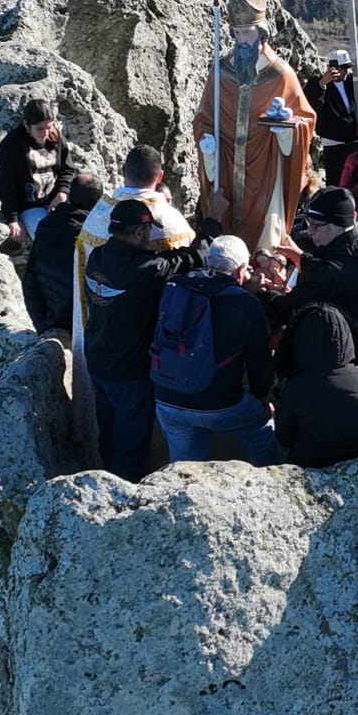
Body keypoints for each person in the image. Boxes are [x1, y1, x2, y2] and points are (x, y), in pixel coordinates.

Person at [72, 145, 203, 466]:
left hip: (96, 350)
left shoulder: (97, 228)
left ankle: (102, 469)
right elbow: (188, 262)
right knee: (132, 438)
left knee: (106, 429)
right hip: (134, 362)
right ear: (160, 176)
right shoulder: (167, 229)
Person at [83, 199, 218, 481]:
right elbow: (195, 256)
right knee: (130, 443)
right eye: (147, 231)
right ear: (139, 232)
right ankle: (124, 490)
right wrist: (213, 222)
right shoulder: (147, 270)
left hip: (97, 360)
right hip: (129, 371)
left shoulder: (97, 257)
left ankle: (104, 476)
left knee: (107, 432)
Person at [193, 0, 316, 251]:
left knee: (266, 243)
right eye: (237, 33)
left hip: (267, 172)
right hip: (226, 167)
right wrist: (207, 141)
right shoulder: (220, 73)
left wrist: (286, 131)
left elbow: (305, 120)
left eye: (247, 32)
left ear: (261, 34)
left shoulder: (281, 74)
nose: (242, 40)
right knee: (225, 235)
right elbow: (204, 118)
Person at [152, 235, 280, 467]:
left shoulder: (176, 286)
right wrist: (262, 401)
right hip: (222, 404)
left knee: (184, 467)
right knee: (261, 427)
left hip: (167, 398)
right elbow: (259, 367)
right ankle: (272, 475)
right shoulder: (246, 304)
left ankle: (182, 481)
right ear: (241, 269)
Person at [260, 187, 358, 387]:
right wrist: (303, 260)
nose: (310, 232)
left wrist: (258, 290)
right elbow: (345, 269)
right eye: (309, 224)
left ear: (339, 225)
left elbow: (285, 306)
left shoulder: (333, 271)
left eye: (316, 226)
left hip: (350, 370)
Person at [273, 302, 358, 467]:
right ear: (347, 336)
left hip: (309, 465)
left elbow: (284, 437)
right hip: (356, 460)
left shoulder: (294, 385)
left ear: (299, 341)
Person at [22, 172, 102, 332]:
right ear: (98, 203)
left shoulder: (47, 226)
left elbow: (30, 280)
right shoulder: (97, 235)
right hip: (89, 325)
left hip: (53, 320)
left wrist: (42, 324)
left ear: (69, 196)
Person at [0, 98, 78, 244]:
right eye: (39, 129)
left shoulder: (55, 136)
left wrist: (63, 191)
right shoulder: (11, 146)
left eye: (49, 127)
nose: (45, 133)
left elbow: (68, 168)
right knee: (49, 240)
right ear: (26, 125)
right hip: (30, 206)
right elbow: (4, 185)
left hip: (56, 199)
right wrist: (12, 219)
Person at [305, 49, 358, 186]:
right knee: (336, 182)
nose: (346, 72)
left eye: (347, 68)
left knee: (357, 181)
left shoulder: (353, 81)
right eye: (343, 68)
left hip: (355, 141)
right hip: (334, 145)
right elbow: (312, 104)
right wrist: (321, 84)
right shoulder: (319, 85)